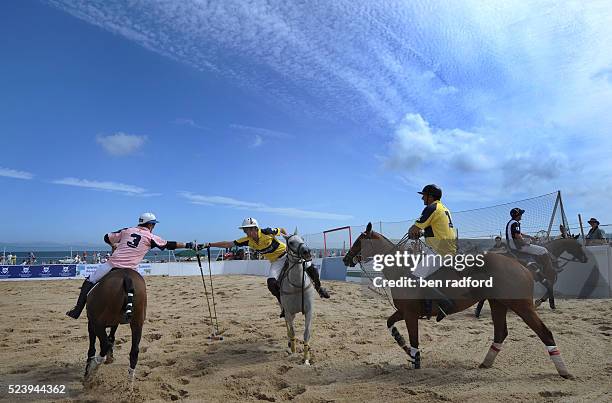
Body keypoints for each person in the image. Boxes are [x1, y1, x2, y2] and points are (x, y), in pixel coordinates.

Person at [66, 212, 198, 319]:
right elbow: (170, 244)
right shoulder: (151, 237)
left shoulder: (126, 230)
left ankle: (77, 310)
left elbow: (107, 237)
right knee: (138, 285)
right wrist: (189, 245)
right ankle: (131, 308)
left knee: (89, 281)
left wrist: (113, 245)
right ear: (151, 225)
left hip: (112, 265)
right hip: (131, 269)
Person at [206, 218, 330, 318]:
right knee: (271, 284)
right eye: (245, 231)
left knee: (311, 268)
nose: (246, 233)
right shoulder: (247, 241)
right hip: (276, 262)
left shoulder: (267, 231)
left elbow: (281, 229)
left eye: (247, 230)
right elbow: (228, 244)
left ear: (255, 228)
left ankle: (319, 289)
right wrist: (210, 244)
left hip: (287, 254)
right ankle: (283, 305)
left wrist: (288, 238)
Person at [407, 184, 457, 321]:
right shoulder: (443, 208)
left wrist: (412, 233)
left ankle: (445, 303)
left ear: (430, 196)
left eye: (424, 195)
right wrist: (421, 233)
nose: (422, 197)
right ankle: (428, 307)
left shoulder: (431, 208)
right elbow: (433, 229)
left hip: (439, 250)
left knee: (414, 278)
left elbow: (414, 228)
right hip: (448, 248)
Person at [505, 207, 556, 307]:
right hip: (518, 247)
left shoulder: (511, 222)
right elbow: (517, 236)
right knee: (543, 250)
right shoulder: (515, 223)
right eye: (521, 214)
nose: (522, 216)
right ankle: (547, 270)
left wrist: (530, 237)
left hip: (512, 247)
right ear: (517, 215)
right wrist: (526, 242)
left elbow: (520, 233)